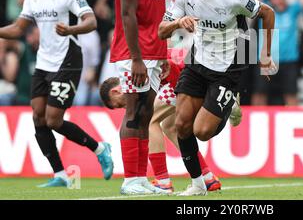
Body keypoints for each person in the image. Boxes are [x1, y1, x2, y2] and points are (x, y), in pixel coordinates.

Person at [158, 0, 276, 196]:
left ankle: (229, 101)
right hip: (197, 60)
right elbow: (161, 31)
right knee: (181, 124)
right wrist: (179, 22)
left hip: (227, 68)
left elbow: (267, 13)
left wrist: (265, 54)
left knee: (202, 131)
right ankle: (198, 184)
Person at [0, 0, 113, 188]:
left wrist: (72, 29)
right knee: (38, 117)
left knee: (53, 120)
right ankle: (60, 174)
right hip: (44, 61)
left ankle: (100, 148)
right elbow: (19, 29)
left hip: (68, 59)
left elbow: (91, 21)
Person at [99, 49, 243, 193]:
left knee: (149, 120)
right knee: (170, 127)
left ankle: (163, 180)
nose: (125, 107)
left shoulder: (133, 68)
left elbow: (168, 65)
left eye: (119, 104)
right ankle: (207, 177)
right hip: (185, 77)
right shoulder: (137, 64)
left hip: (183, 80)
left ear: (115, 91)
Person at [110, 0, 170, 196]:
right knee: (134, 113)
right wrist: (136, 58)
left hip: (152, 52)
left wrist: (163, 54)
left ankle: (140, 178)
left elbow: (155, 13)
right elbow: (128, 15)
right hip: (135, 54)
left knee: (145, 115)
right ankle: (130, 180)